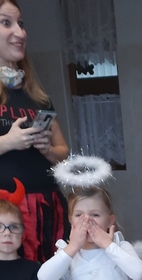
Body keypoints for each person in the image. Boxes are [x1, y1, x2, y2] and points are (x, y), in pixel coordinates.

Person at [0, 0, 70, 263]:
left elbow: (63, 151)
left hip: (49, 208)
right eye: (6, 22)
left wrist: (48, 150)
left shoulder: (37, 96)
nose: (20, 32)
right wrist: (8, 142)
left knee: (53, 278)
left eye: (21, 23)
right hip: (7, 216)